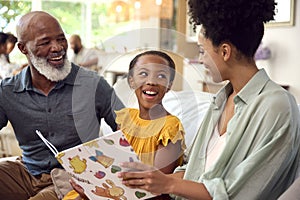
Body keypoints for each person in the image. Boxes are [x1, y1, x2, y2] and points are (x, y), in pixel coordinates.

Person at [117, 0, 300, 200]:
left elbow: (237, 193)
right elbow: (192, 169)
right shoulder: (220, 102)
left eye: (202, 51)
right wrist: (154, 180)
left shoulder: (276, 106)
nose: (201, 60)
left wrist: (167, 183)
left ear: (224, 52)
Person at [0, 11, 124, 200]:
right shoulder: (7, 91)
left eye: (61, 39)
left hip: (77, 178)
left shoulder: (93, 84)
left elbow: (128, 130)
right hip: (28, 171)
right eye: (45, 42)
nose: (57, 48)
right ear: (23, 48)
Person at [68, 50, 186, 200]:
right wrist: (90, 188)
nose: (151, 81)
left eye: (161, 76)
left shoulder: (170, 127)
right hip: (115, 190)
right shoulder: (126, 118)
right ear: (131, 81)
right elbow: (113, 166)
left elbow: (156, 189)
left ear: (169, 85)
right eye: (143, 74)